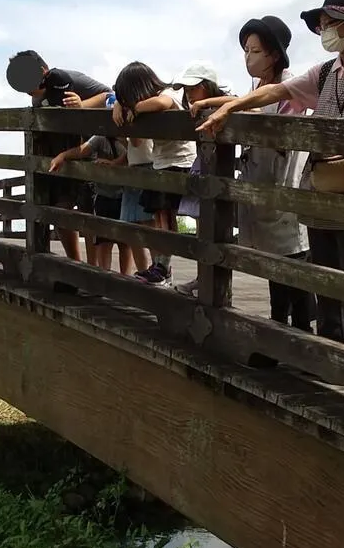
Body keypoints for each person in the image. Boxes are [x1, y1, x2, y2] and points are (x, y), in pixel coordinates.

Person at [197, 0, 344, 357]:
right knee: (322, 275)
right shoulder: (324, 73)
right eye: (321, 24)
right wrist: (228, 108)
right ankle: (327, 352)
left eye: (328, 24)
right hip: (320, 183)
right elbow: (275, 91)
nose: (323, 31)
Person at [193, 18, 315, 335]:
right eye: (246, 49)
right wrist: (209, 103)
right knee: (276, 265)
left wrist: (234, 110)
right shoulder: (257, 87)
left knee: (294, 264)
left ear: (274, 54)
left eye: (256, 50)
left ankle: (302, 331)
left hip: (284, 184)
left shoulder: (292, 84)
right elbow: (243, 104)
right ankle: (279, 328)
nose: (249, 56)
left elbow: (268, 112)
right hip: (261, 185)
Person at [6, 50, 112, 263]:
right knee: (60, 213)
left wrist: (83, 105)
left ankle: (93, 270)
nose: (27, 91)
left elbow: (110, 95)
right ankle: (76, 264)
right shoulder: (37, 98)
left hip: (87, 152)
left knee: (87, 214)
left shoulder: (70, 79)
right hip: (60, 157)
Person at [112, 62, 196, 287]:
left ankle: (163, 267)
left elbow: (162, 103)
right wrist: (119, 105)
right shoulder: (146, 102)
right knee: (160, 218)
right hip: (161, 165)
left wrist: (134, 108)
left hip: (179, 164)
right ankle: (161, 267)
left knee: (167, 218)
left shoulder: (170, 93)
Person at [170, 63, 234, 299]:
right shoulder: (193, 111)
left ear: (207, 87)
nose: (189, 95)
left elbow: (237, 100)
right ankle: (202, 278)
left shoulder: (222, 102)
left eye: (193, 89)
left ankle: (213, 284)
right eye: (186, 90)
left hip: (218, 171)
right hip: (204, 167)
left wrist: (205, 103)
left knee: (214, 227)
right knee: (202, 227)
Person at [49, 136, 133, 273]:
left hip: (123, 196)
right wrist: (63, 155)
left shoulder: (124, 141)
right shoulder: (100, 139)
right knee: (103, 240)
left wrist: (115, 162)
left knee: (125, 242)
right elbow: (82, 150)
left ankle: (125, 280)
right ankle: (100, 278)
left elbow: (134, 153)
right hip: (103, 195)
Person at [119, 135, 155, 273]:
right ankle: (144, 273)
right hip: (133, 166)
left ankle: (159, 271)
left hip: (147, 166)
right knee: (131, 227)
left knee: (149, 226)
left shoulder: (136, 113)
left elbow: (136, 141)